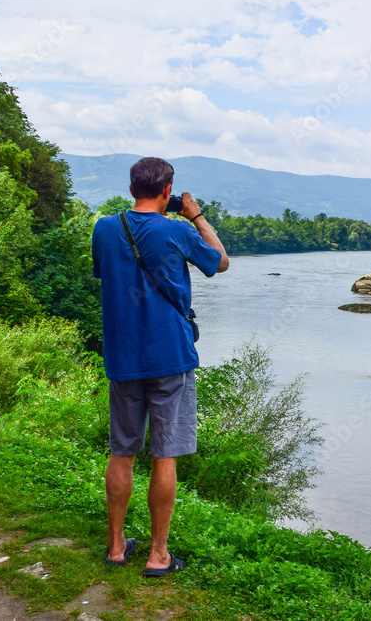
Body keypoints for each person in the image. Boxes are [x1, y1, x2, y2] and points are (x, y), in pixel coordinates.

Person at [91, 157, 229, 576]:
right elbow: (219, 262)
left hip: (122, 356)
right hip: (170, 355)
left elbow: (108, 276)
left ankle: (116, 548)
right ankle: (157, 555)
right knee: (164, 456)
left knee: (122, 452)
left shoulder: (104, 227)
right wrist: (198, 216)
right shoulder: (179, 229)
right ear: (167, 191)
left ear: (132, 187)